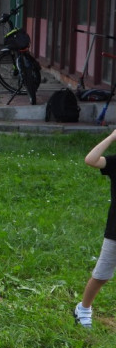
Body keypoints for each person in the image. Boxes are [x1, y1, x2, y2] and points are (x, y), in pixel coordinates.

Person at [74, 130, 116, 329]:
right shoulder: (115, 162)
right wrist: (112, 137)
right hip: (115, 232)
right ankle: (83, 309)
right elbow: (91, 160)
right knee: (101, 275)